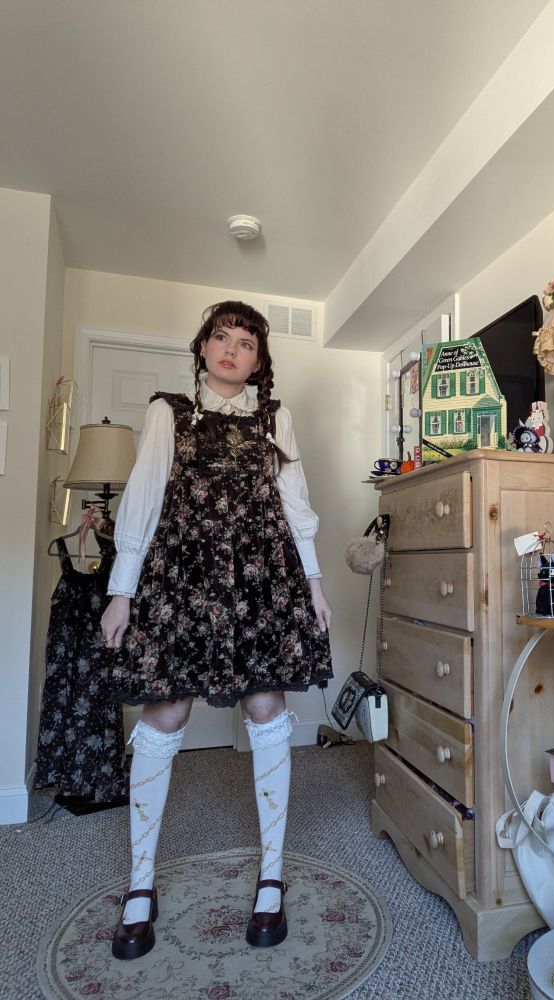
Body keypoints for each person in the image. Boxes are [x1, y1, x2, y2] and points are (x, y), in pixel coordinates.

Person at [100, 300, 333, 960]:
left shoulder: (274, 417)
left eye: (247, 344)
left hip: (261, 579)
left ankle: (270, 877)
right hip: (181, 579)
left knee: (266, 704)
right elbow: (143, 499)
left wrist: (313, 584)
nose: (232, 350)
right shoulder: (165, 413)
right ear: (202, 346)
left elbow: (297, 505)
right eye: (221, 338)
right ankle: (139, 886)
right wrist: (122, 592)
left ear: (260, 361)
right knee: (166, 710)